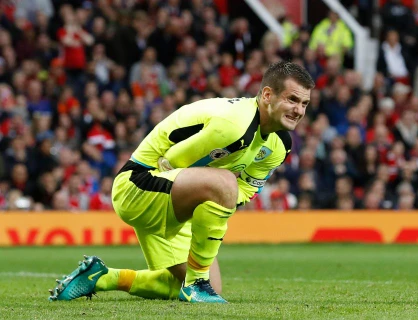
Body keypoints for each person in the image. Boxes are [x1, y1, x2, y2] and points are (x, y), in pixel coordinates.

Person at [48, 61, 314, 303]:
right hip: (137, 185)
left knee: (213, 286)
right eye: (292, 100)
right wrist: (218, 188)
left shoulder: (280, 145)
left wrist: (214, 199)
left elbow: (245, 190)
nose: (298, 110)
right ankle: (196, 284)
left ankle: (103, 277)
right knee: (223, 184)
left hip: (178, 196)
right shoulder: (233, 124)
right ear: (267, 95)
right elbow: (170, 162)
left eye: (304, 104)